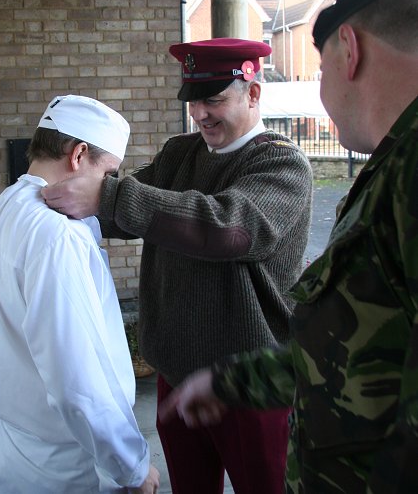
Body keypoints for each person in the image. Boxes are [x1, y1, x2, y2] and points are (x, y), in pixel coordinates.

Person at [159, 0, 418, 494]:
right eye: (196, 103)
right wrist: (235, 383)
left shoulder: (387, 170)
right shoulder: (395, 166)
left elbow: (228, 228)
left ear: (350, 48)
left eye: (319, 72)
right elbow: (352, 342)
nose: (319, 95)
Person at [42, 39, 313, 494]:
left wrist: (108, 195)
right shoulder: (180, 154)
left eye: (213, 99)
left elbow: (231, 228)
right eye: (192, 101)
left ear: (253, 92)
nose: (200, 113)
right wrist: (43, 200)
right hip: (177, 373)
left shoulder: (282, 164)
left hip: (251, 383)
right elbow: (125, 215)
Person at [0, 95, 160, 494]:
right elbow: (79, 385)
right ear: (79, 155)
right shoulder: (57, 235)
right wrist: (133, 468)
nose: (107, 185)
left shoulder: (0, 210)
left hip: (15, 455)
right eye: (108, 173)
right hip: (70, 470)